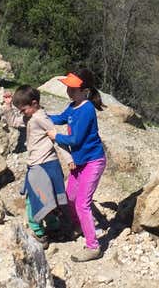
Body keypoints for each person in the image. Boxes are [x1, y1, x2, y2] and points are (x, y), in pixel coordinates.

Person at [46, 69, 106, 262]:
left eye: (73, 88)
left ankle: (93, 247)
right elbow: (59, 119)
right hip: (79, 162)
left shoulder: (87, 109)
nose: (69, 91)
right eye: (68, 88)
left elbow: (76, 139)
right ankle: (79, 225)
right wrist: (41, 116)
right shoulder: (73, 106)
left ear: (85, 90)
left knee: (82, 203)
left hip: (93, 161)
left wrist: (56, 136)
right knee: (70, 197)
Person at [2, 85, 73, 249]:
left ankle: (42, 233)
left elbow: (57, 139)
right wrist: (7, 106)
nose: (22, 113)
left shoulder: (41, 118)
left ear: (34, 103)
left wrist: (68, 159)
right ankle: (52, 228)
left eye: (23, 109)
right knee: (43, 199)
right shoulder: (30, 117)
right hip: (35, 165)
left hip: (45, 165)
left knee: (35, 201)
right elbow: (13, 121)